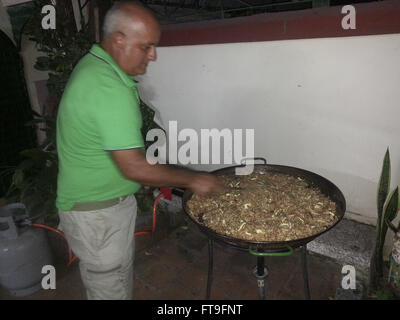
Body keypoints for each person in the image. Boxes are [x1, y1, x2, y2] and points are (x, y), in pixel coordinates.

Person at [56, 1, 224, 300]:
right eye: (146, 46)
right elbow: (133, 167)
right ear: (119, 39)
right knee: (110, 286)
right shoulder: (107, 88)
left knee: (114, 278)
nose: (153, 55)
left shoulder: (96, 66)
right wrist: (195, 180)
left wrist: (155, 173)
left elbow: (117, 151)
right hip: (98, 214)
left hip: (99, 209)